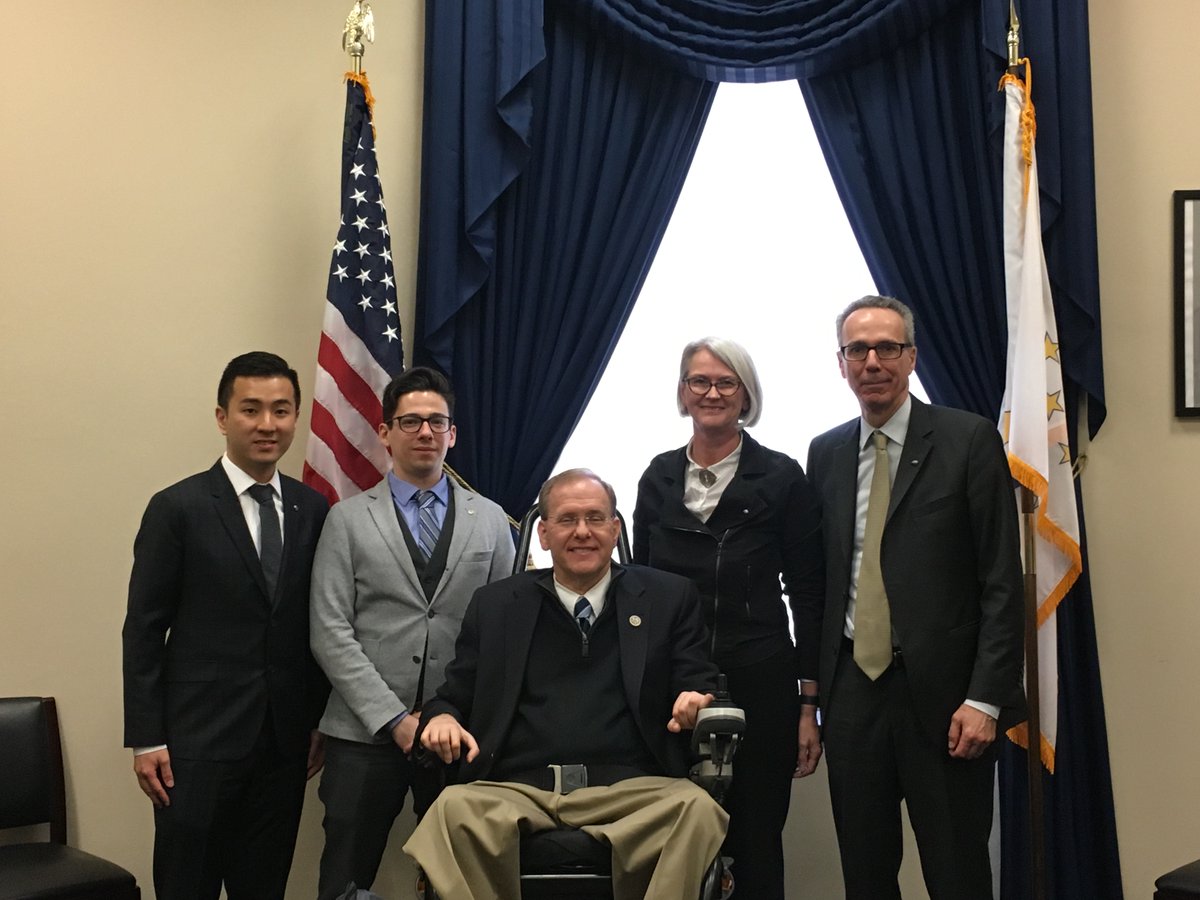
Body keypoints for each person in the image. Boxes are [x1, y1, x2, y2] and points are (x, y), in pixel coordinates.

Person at [403, 469, 728, 900]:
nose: (582, 532)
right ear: (543, 533)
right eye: (567, 520)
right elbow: (454, 695)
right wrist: (441, 718)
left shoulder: (668, 598)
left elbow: (696, 679)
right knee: (449, 813)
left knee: (699, 810)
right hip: (520, 788)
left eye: (595, 519)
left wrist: (693, 700)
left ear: (615, 530)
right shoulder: (497, 605)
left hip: (632, 789)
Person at [805, 295, 1024, 899]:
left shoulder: (968, 439)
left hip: (949, 700)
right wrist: (813, 699)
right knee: (866, 874)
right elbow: (820, 585)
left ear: (912, 357)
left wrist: (986, 697)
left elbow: (1002, 583)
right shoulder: (824, 453)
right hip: (853, 696)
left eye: (887, 348)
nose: (872, 361)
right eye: (858, 349)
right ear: (842, 363)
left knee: (956, 872)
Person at [122, 351, 330, 900]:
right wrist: (146, 738)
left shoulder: (314, 510)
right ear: (222, 417)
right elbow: (143, 628)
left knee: (262, 888)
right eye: (251, 409)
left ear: (296, 417)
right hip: (195, 746)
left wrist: (315, 720)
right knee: (186, 886)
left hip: (284, 747)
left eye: (282, 410)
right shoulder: (178, 508)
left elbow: (320, 623)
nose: (268, 424)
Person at [309, 366, 516, 900]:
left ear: (453, 434)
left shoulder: (492, 521)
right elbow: (329, 630)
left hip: (458, 731)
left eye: (436, 422)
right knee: (345, 877)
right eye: (410, 421)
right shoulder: (347, 519)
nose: (424, 432)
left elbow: (504, 631)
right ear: (385, 432)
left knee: (461, 878)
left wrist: (452, 713)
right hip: (363, 733)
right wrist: (395, 720)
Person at [632, 336, 824, 900]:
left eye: (726, 383)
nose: (711, 393)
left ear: (746, 396)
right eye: (699, 382)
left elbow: (807, 596)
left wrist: (809, 706)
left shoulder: (783, 478)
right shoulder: (659, 477)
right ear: (683, 393)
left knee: (757, 836)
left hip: (762, 679)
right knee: (673, 835)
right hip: (673, 682)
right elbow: (639, 590)